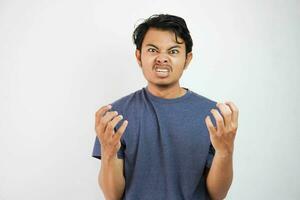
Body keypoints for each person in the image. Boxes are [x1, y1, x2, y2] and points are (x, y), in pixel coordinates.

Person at [92, 14, 239, 200]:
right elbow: (112, 196)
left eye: (173, 51)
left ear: (187, 59)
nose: (162, 58)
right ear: (139, 56)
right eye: (153, 50)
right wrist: (108, 152)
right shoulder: (115, 116)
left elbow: (217, 195)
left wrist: (226, 151)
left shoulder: (214, 117)